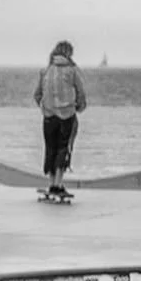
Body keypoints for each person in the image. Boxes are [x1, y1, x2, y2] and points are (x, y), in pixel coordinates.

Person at [35, 40, 87, 195]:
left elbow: (37, 94)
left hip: (48, 116)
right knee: (63, 148)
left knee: (50, 148)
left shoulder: (46, 70)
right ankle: (58, 184)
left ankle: (51, 183)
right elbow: (81, 93)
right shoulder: (72, 71)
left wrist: (45, 107)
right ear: (69, 53)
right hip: (67, 115)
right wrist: (78, 106)